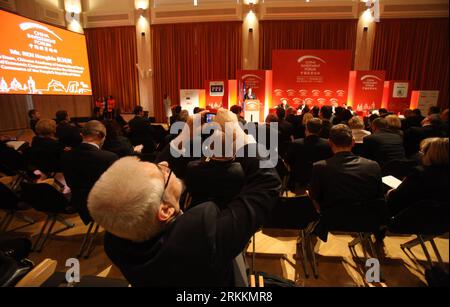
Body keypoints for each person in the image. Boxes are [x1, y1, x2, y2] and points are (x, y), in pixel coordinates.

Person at [87, 113, 282, 287]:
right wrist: (241, 137)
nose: (162, 163)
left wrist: (184, 136)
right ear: (165, 210)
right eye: (160, 173)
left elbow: (145, 193)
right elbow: (267, 183)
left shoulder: (117, 238)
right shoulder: (204, 237)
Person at [309, 124, 384, 240]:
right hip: (366, 219)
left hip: (332, 220)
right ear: (353, 142)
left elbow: (314, 196)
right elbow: (379, 196)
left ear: (330, 143)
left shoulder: (319, 167)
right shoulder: (373, 165)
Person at [61, 121, 118, 225]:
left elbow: (70, 183)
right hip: (104, 207)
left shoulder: (66, 156)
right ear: (101, 135)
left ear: (82, 135)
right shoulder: (109, 157)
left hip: (80, 205)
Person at [387, 138, 448, 216]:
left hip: (414, 219)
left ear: (430, 153)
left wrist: (391, 193)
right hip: (442, 220)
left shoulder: (419, 173)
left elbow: (397, 199)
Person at [287, 118, 332, 193]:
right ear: (320, 130)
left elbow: (288, 160)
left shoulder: (296, 143)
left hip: (299, 179)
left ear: (306, 129)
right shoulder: (327, 144)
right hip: (320, 181)